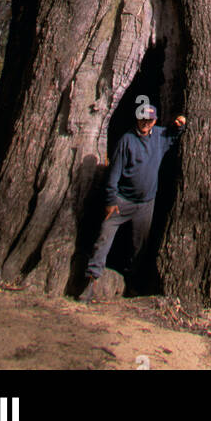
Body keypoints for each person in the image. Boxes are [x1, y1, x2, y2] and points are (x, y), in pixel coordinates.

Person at [78, 105, 185, 302]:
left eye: (150, 120)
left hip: (145, 204)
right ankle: (90, 282)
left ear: (155, 121)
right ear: (137, 118)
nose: (146, 123)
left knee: (139, 246)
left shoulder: (159, 137)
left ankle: (132, 285)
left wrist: (179, 124)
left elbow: (173, 134)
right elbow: (114, 174)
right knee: (104, 238)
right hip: (121, 201)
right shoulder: (127, 141)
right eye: (143, 119)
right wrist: (110, 201)